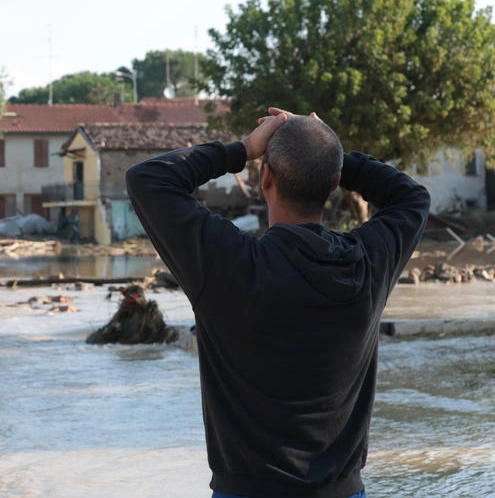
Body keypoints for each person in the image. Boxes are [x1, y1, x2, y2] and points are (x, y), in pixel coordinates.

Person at [126, 108, 430, 498]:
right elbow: (412, 197)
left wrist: (241, 149)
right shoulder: (367, 264)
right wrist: (325, 148)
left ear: (265, 177)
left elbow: (147, 178)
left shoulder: (228, 266)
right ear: (335, 185)